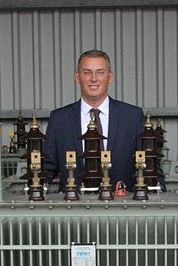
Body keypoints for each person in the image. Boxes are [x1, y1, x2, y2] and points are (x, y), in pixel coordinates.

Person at [43, 49, 146, 192]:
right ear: (77, 77)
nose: (93, 78)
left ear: (110, 77)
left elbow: (149, 165)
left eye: (100, 72)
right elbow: (46, 169)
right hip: (72, 208)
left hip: (121, 207)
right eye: (87, 72)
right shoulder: (59, 119)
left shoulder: (132, 116)